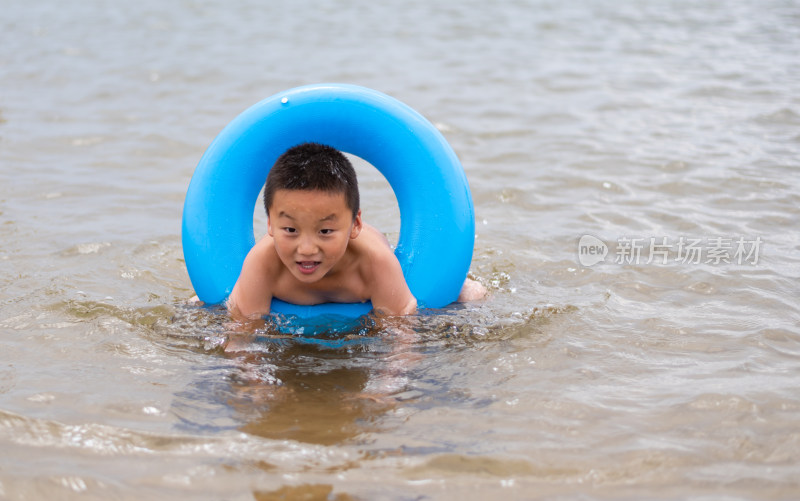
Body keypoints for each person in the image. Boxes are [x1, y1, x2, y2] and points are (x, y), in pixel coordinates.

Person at [227, 142, 485, 321]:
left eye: (325, 230)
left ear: (356, 225)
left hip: (391, 276)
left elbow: (401, 340)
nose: (306, 248)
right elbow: (243, 338)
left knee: (470, 295)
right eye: (291, 229)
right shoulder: (262, 265)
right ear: (270, 225)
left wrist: (387, 387)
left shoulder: (374, 264)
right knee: (207, 302)